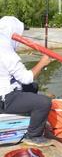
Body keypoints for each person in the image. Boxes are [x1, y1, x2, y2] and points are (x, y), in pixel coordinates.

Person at [0, 16, 53, 146]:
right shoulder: (6, 52)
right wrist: (42, 62)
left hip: (4, 92)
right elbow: (26, 78)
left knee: (32, 87)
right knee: (44, 103)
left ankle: (31, 118)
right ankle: (33, 135)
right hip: (5, 99)